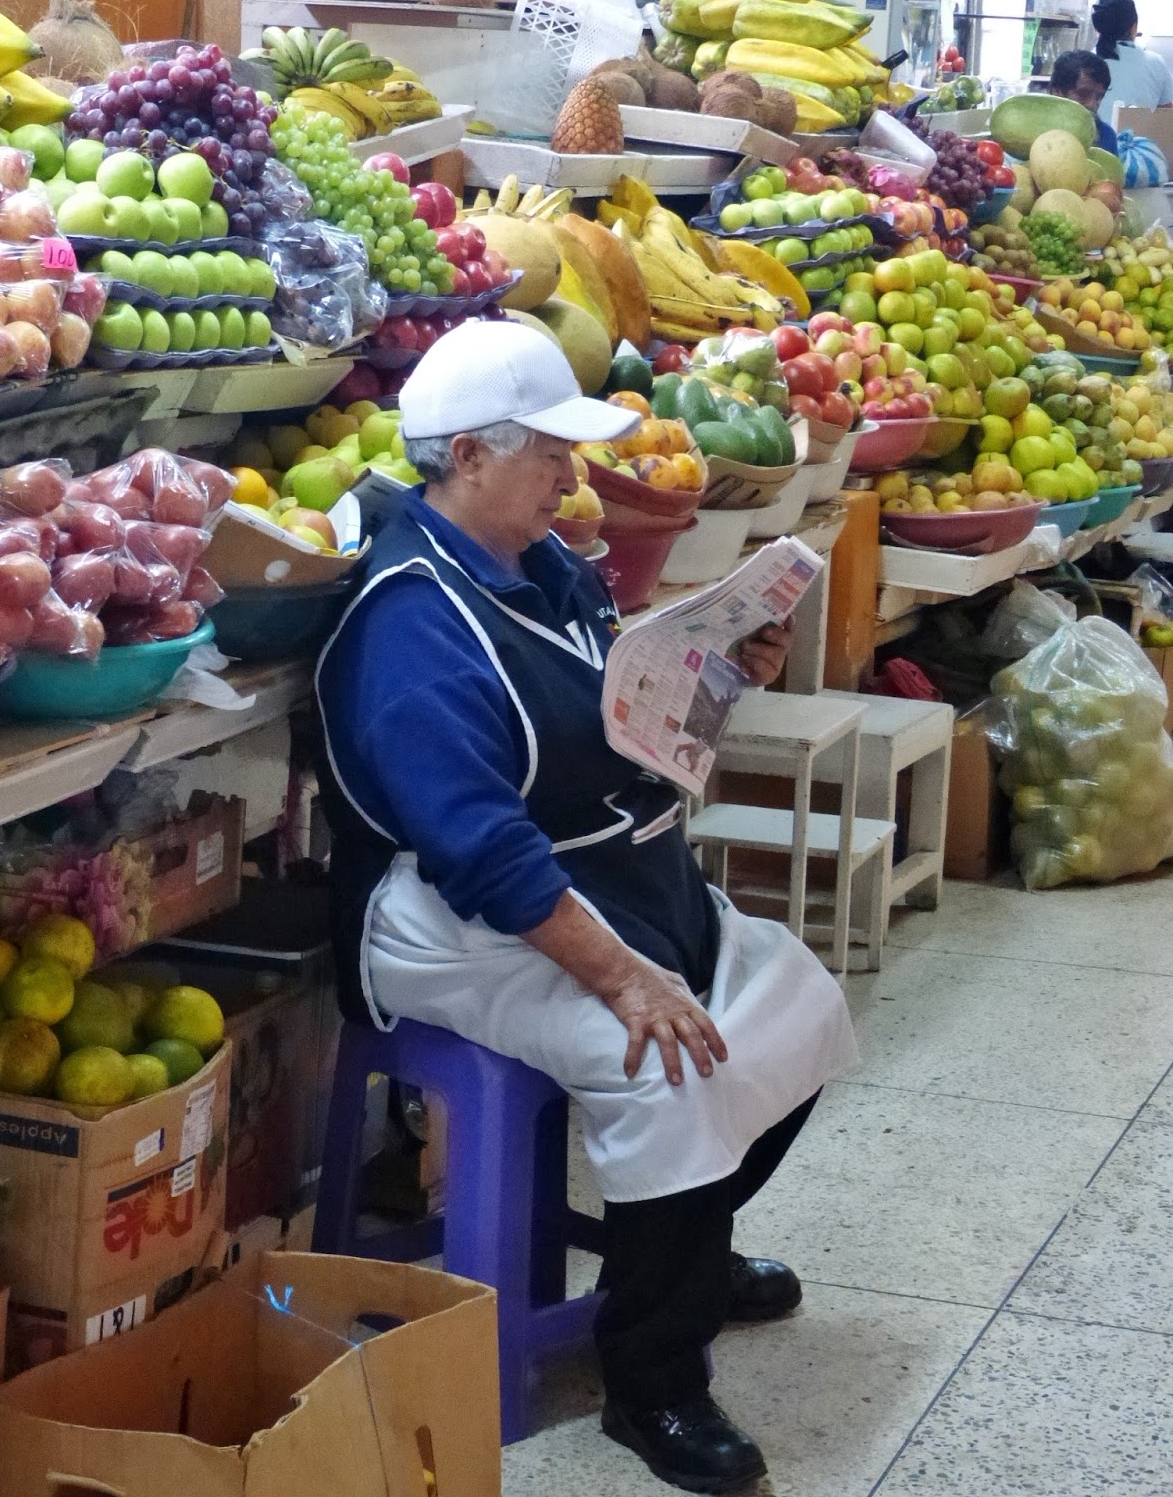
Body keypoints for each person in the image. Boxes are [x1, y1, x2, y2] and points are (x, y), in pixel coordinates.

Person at [315, 321, 858, 1493]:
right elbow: (479, 850)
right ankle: (651, 1380)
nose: (572, 474)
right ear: (467, 456)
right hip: (450, 921)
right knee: (668, 1062)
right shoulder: (409, 627)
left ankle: (677, 1248)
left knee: (798, 1000)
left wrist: (720, 667)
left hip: (602, 874)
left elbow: (615, 705)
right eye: (549, 452)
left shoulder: (538, 563)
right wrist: (620, 976)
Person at [1090, 0, 1173, 126]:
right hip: (1138, 139)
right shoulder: (1155, 63)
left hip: (1090, 138)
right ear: (1133, 28)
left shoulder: (1086, 62)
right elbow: (1166, 118)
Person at [1049, 49, 1120, 154]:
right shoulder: (1033, 130)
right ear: (1057, 91)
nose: (1092, 104)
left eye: (1099, 97)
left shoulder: (1106, 135)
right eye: (1083, 94)